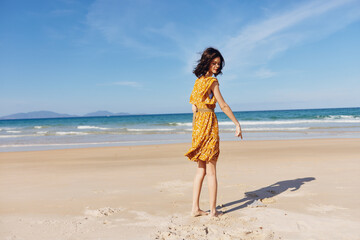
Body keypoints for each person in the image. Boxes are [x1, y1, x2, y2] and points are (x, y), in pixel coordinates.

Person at [184, 47, 242, 217]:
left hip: (197, 126)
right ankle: (213, 211)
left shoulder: (197, 82)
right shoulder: (212, 82)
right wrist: (236, 123)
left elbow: (193, 106)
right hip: (208, 125)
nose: (217, 66)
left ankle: (195, 208)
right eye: (214, 63)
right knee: (211, 170)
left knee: (200, 169)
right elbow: (223, 105)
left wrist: (197, 127)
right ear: (207, 62)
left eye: (219, 63)